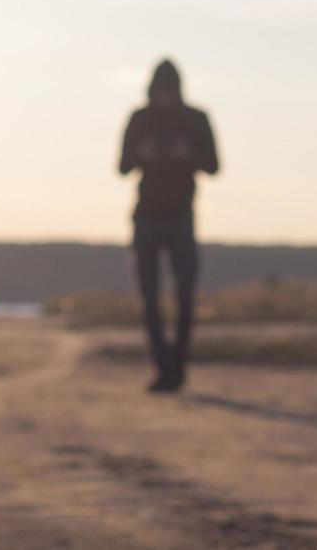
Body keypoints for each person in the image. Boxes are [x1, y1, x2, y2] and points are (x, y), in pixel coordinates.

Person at [118, 59, 219, 393]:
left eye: (169, 91)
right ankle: (163, 368)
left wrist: (186, 154)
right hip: (146, 216)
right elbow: (122, 165)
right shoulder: (140, 119)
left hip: (180, 217)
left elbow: (213, 165)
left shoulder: (195, 119)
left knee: (185, 296)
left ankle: (178, 367)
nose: (164, 97)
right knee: (149, 300)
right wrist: (142, 153)